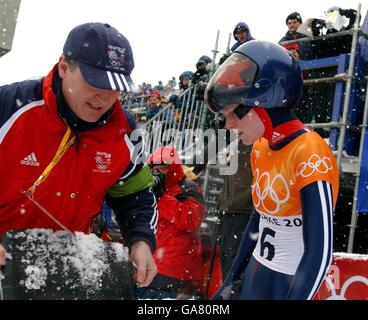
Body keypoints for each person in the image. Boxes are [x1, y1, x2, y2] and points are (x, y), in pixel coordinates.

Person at [0, 22, 158, 288]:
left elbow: (135, 195)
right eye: (94, 82)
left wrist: (140, 239)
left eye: (115, 88)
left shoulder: (124, 132)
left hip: (63, 272)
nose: (104, 98)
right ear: (64, 67)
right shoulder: (9, 106)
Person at [204, 40, 339, 300]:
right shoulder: (261, 147)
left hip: (291, 281)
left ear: (263, 104)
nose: (229, 124)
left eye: (235, 114)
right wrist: (230, 282)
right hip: (259, 273)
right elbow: (259, 219)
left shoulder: (310, 152)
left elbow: (320, 252)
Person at [135, 146, 205, 299]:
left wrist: (162, 198)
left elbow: (191, 221)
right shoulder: (150, 187)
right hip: (151, 263)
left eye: (164, 167)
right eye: (155, 168)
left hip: (175, 270)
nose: (159, 171)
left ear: (172, 167)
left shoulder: (187, 188)